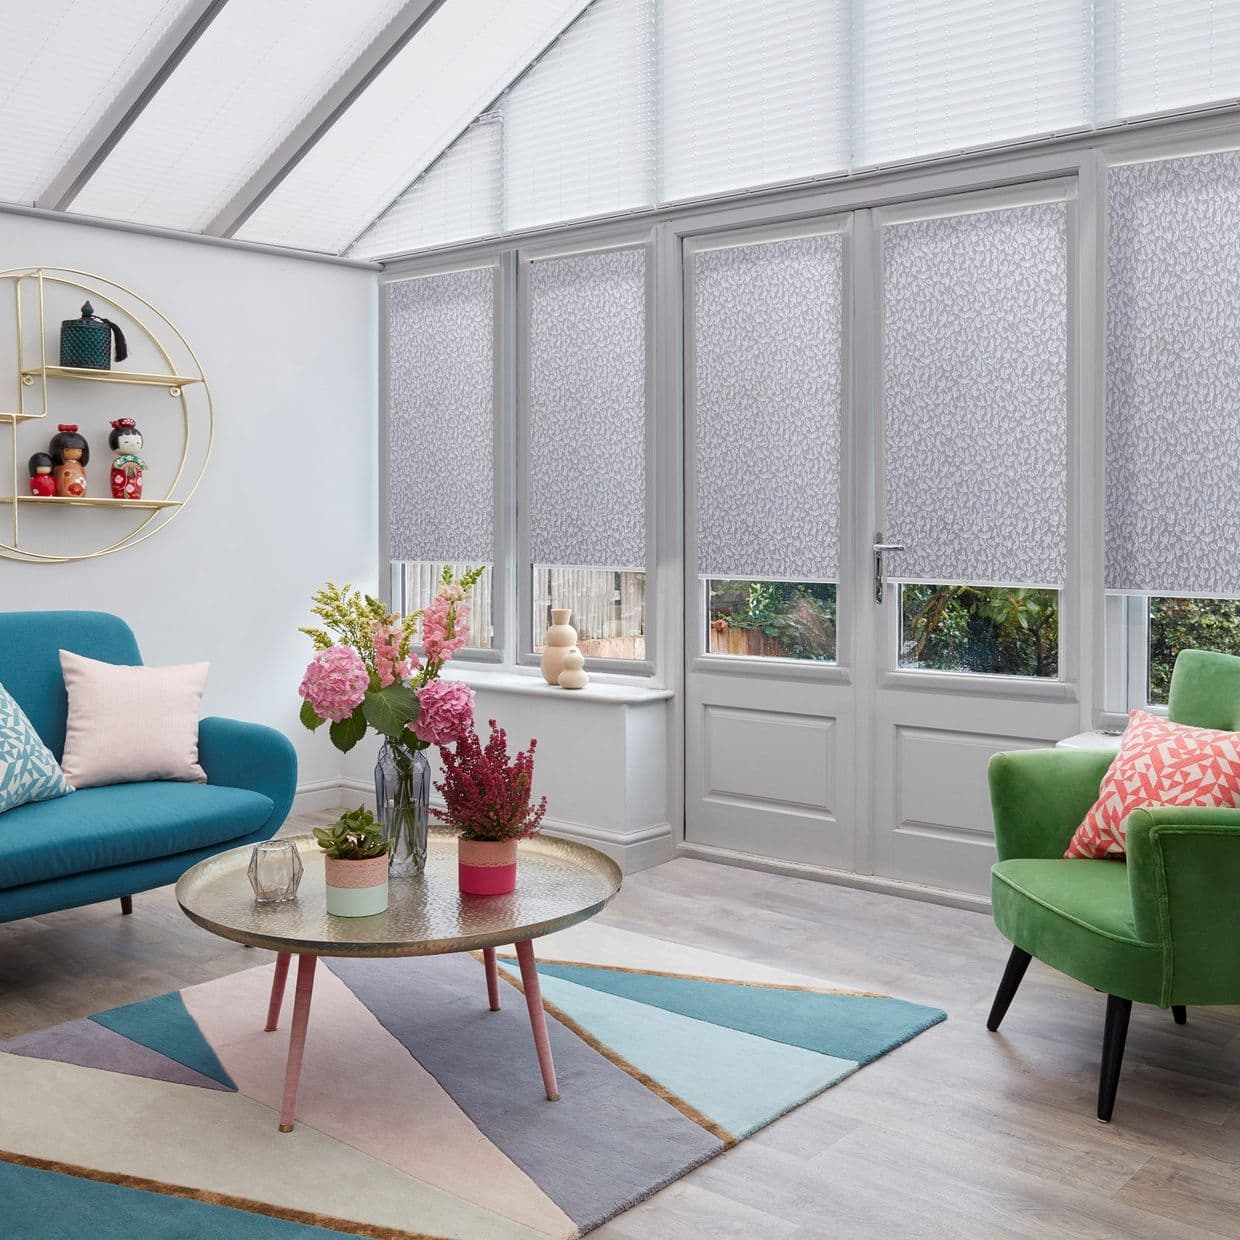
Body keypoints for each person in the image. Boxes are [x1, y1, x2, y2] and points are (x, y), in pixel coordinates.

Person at [108, 418, 146, 500]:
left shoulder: (137, 461)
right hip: (122, 486)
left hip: (135, 484)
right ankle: (120, 495)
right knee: (119, 481)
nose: (132, 445)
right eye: (126, 442)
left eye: (137, 442)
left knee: (136, 482)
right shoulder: (118, 462)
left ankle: (135, 495)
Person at [49, 424, 89, 498]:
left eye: (79, 450)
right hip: (64, 492)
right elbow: (58, 479)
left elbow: (83, 476)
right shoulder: (61, 466)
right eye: (67, 450)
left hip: (80, 491)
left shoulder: (79, 465)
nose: (74, 452)